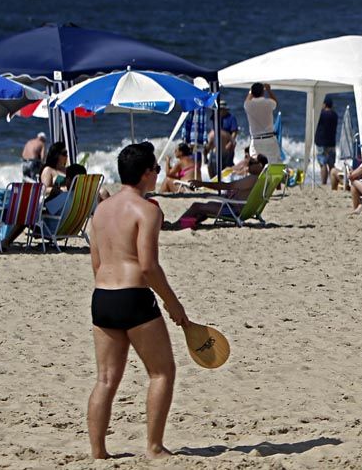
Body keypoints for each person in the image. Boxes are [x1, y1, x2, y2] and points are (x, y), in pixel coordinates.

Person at [86, 142, 187, 460]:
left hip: (102, 297)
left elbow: (96, 262)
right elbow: (148, 266)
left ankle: (98, 452)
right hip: (133, 297)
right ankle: (155, 447)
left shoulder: (101, 210)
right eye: (156, 169)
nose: (158, 174)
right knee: (161, 373)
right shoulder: (149, 210)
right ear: (146, 173)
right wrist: (173, 304)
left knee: (105, 379)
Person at [171, 154, 268, 226]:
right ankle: (187, 223)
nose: (248, 165)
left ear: (260, 165)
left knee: (196, 206)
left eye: (251, 163)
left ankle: (177, 225)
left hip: (233, 211)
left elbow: (228, 186)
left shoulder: (253, 179)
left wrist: (202, 184)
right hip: (241, 208)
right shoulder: (263, 180)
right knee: (206, 206)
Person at [244, 83, 281, 164]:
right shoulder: (269, 103)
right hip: (269, 139)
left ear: (252, 93)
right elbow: (276, 103)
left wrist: (251, 91)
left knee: (256, 166)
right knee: (273, 166)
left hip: (256, 140)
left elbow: (247, 99)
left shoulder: (247, 105)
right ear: (263, 92)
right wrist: (269, 90)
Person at [205, 102, 239, 175]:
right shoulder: (215, 117)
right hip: (216, 143)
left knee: (227, 165)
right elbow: (212, 131)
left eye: (221, 109)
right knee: (212, 165)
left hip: (227, 143)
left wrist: (230, 143)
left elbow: (234, 132)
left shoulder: (231, 118)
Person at [315, 99, 338, 185]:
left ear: (324, 104)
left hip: (321, 142)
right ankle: (333, 183)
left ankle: (324, 183)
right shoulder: (334, 115)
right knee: (331, 165)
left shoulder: (321, 114)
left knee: (323, 163)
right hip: (332, 142)